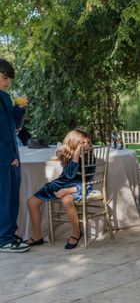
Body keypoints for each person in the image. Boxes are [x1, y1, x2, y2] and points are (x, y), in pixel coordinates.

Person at [26, 128, 93, 250]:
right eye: (83, 143)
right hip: (60, 184)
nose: (87, 146)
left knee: (66, 200)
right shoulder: (65, 153)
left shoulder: (90, 158)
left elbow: (83, 181)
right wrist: (74, 155)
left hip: (78, 186)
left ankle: (76, 233)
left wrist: (68, 191)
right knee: (32, 202)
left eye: (89, 143)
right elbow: (67, 176)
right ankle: (37, 237)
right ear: (74, 143)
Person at [0, 59, 30, 253]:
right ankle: (4, 239)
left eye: (9, 79)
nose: (8, 82)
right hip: (4, 158)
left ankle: (9, 236)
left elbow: (16, 127)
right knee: (3, 199)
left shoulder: (4, 97)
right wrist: (7, 156)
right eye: (4, 77)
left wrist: (20, 109)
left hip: (13, 158)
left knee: (11, 199)